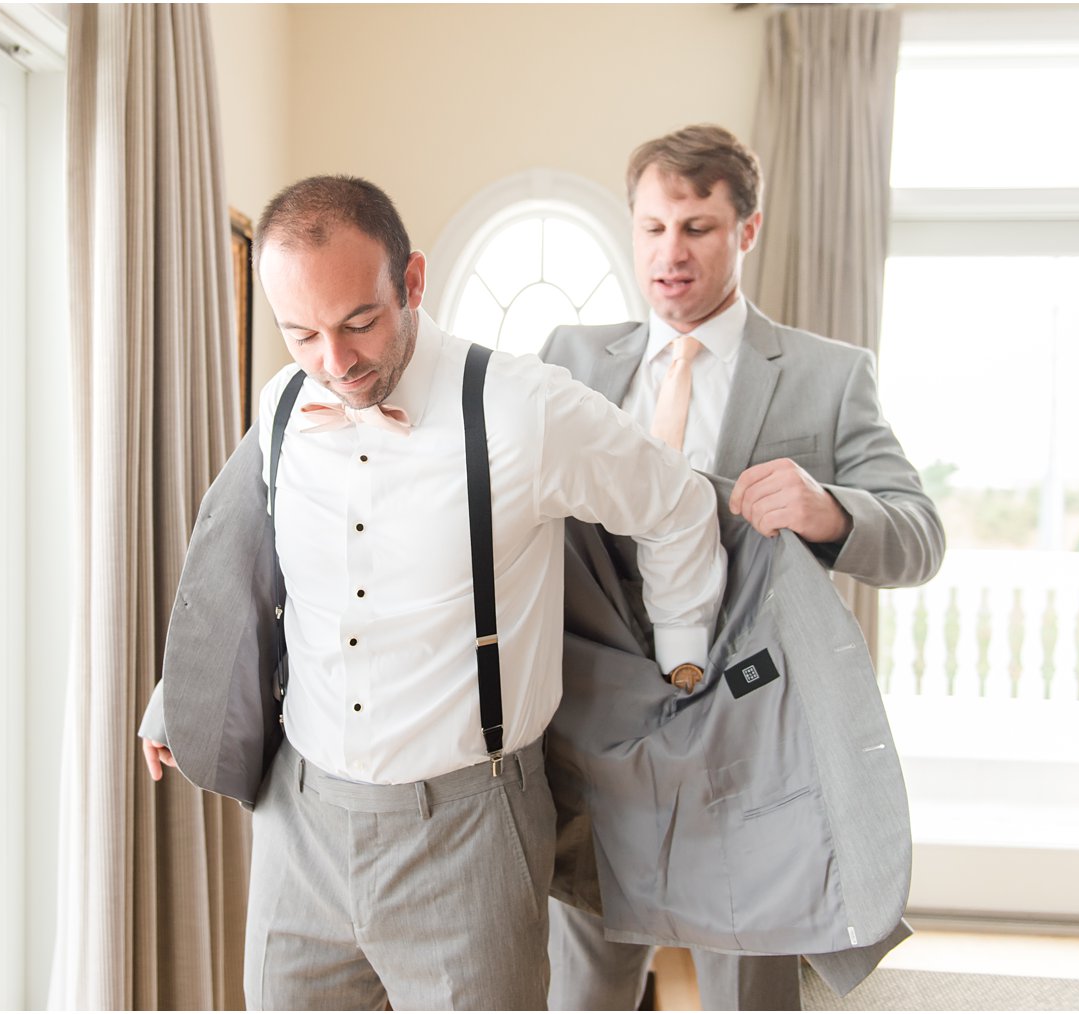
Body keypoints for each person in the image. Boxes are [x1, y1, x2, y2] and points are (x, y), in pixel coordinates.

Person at [140, 175, 727, 1010]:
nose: (333, 364)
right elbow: (254, 572)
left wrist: (682, 659)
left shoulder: (523, 410)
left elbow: (677, 505)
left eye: (359, 323)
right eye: (300, 333)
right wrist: (181, 689)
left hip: (469, 829)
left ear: (412, 284)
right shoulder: (281, 406)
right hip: (298, 823)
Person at [542, 124, 945, 1011]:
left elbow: (921, 536)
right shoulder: (566, 362)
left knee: (750, 992)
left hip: (753, 736)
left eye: (696, 228)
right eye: (651, 228)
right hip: (596, 727)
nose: (669, 254)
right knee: (582, 987)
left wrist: (831, 510)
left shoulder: (828, 377)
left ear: (747, 232)